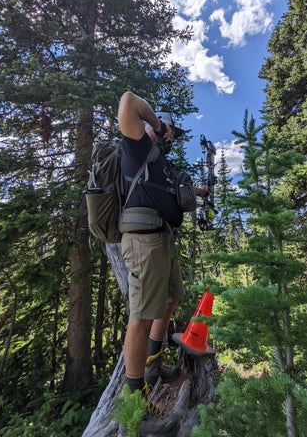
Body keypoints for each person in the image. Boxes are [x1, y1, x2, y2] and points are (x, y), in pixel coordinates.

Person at [117, 91, 208, 436]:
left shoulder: (163, 164)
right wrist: (157, 123)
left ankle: (152, 365)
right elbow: (128, 101)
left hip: (163, 240)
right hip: (143, 241)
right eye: (171, 131)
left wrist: (200, 192)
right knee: (140, 317)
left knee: (172, 299)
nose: (172, 137)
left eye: (173, 133)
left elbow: (172, 194)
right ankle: (135, 405)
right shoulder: (138, 145)